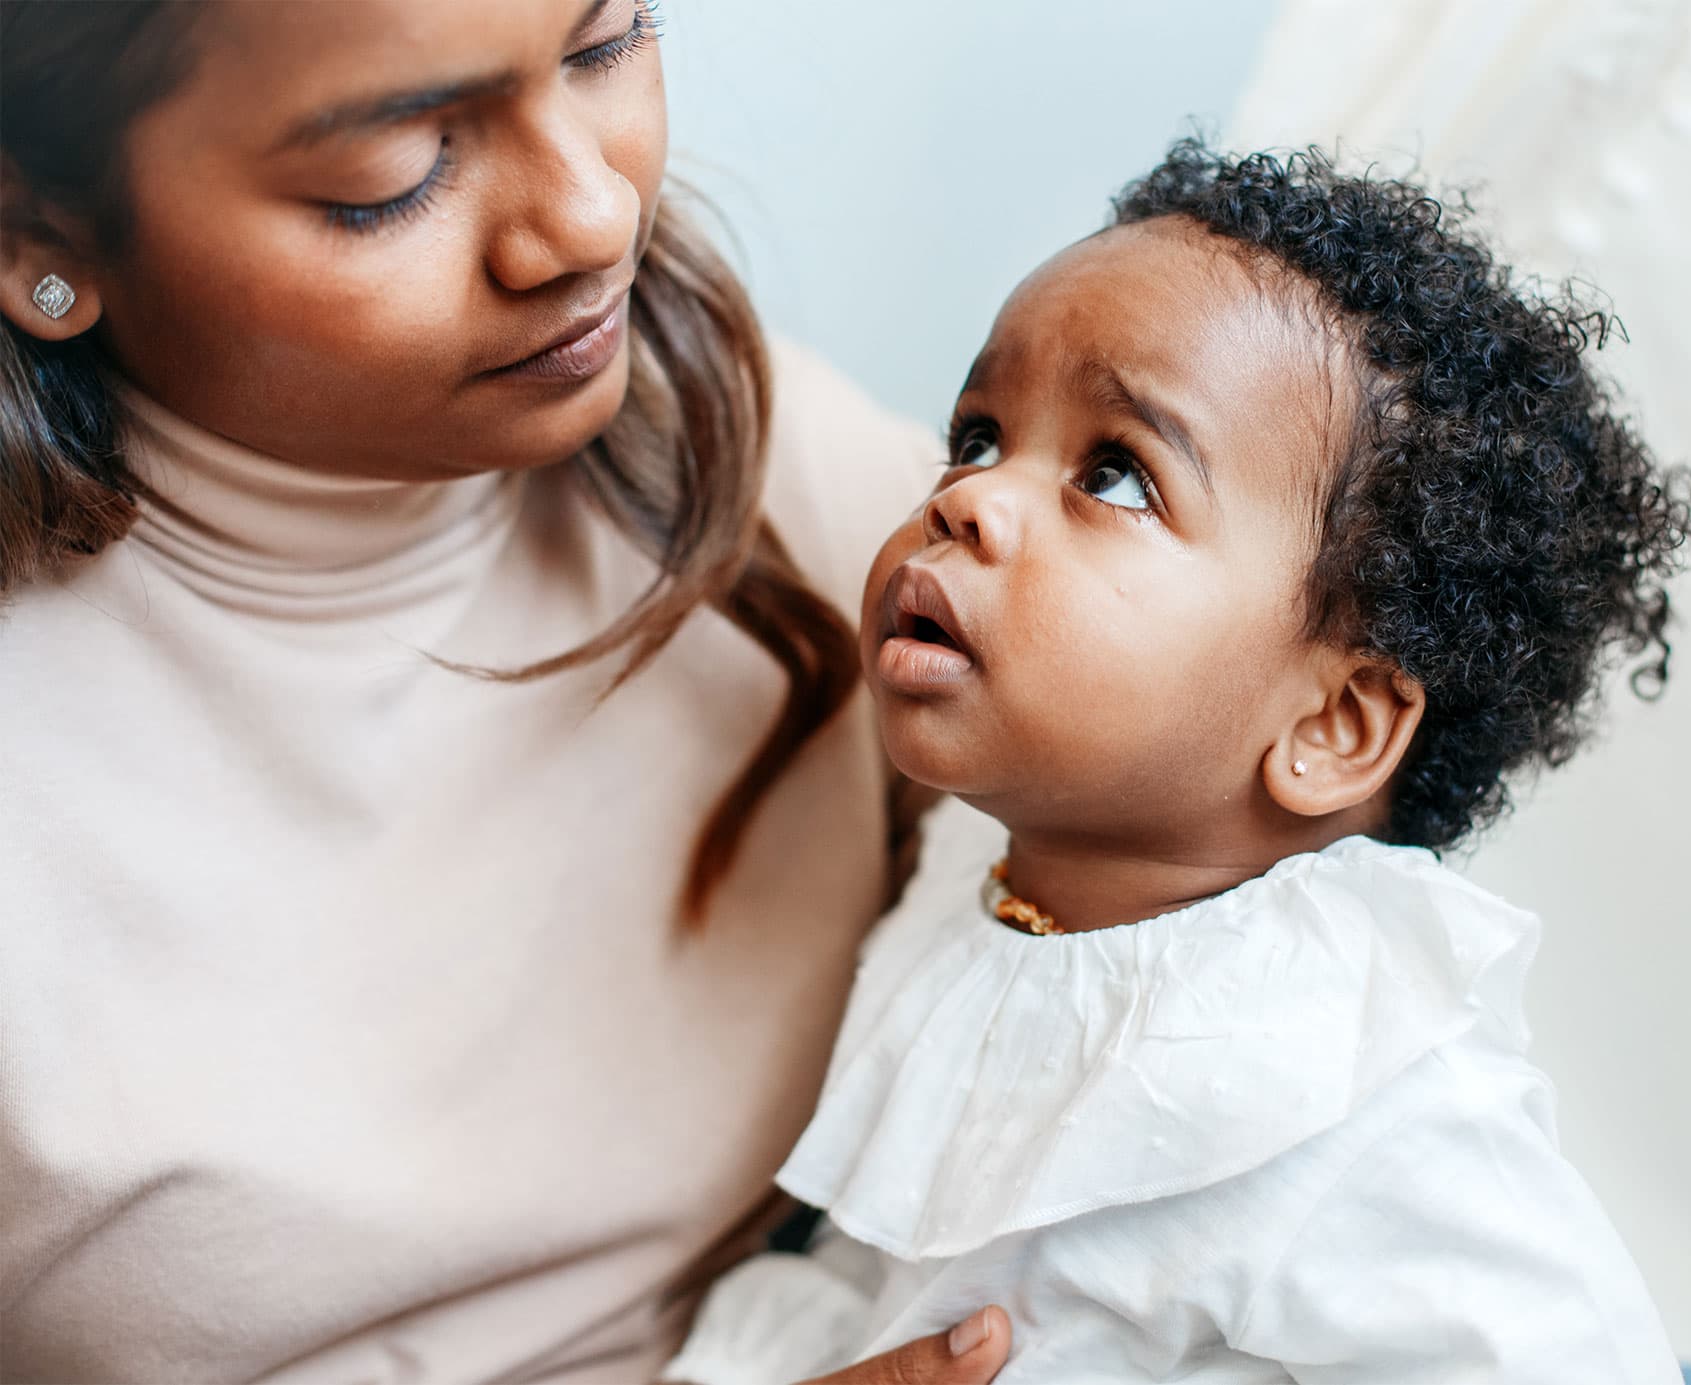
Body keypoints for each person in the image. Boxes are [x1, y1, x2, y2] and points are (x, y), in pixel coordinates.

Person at [0, 1, 1009, 1380]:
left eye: (606, 46)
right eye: (394, 172)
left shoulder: (772, 460)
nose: (591, 218)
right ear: (33, 230)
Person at [665, 141, 1691, 1383]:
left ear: (1331, 723)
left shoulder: (1363, 1100)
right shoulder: (974, 891)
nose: (967, 500)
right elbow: (878, 1255)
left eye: (1115, 474)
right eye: (976, 436)